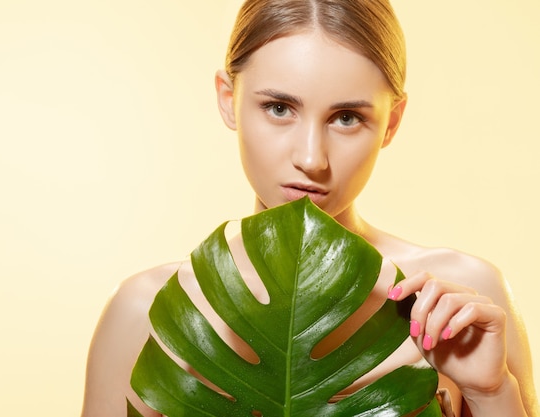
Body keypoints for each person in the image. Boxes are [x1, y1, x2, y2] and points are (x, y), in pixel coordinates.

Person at [80, 1, 539, 416]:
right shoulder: (143, 311)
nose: (311, 158)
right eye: (279, 108)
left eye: (347, 118)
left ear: (391, 122)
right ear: (228, 99)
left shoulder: (464, 298)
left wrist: (492, 391)